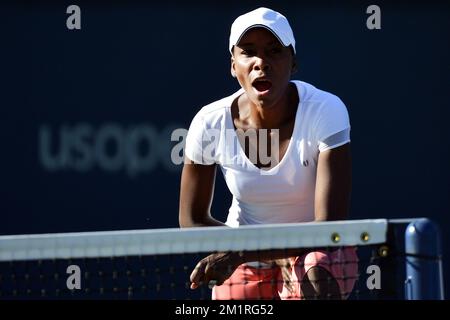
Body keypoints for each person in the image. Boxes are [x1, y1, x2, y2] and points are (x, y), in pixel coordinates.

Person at [179, 7, 358, 300]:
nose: (261, 62)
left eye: (275, 51)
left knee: (316, 270)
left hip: (315, 250)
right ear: (233, 65)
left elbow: (330, 226)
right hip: (245, 257)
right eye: (248, 52)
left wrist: (241, 252)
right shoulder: (208, 122)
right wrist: (254, 254)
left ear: (294, 62)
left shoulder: (326, 110)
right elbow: (191, 220)